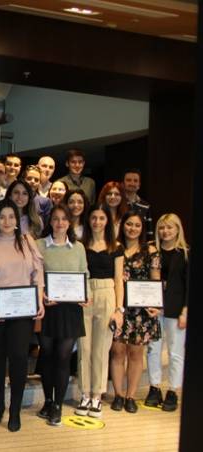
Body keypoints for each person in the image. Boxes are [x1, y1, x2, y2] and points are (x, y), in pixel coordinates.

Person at [0, 199, 44, 432]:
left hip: (23, 312)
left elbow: (37, 273)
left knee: (19, 358)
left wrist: (39, 299)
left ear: (17, 220)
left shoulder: (26, 242)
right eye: (2, 217)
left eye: (11, 216)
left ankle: (15, 410)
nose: (6, 221)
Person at [36, 205, 90, 426]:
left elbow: (84, 273)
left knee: (63, 357)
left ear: (70, 223)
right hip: (47, 308)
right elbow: (34, 274)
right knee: (47, 355)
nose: (60, 223)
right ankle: (48, 401)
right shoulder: (39, 245)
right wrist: (41, 295)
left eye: (64, 219)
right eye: (56, 219)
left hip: (70, 309)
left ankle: (58, 405)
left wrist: (85, 294)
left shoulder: (78, 247)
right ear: (50, 222)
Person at [76, 204, 124, 419]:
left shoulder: (116, 246)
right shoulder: (80, 245)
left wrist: (119, 310)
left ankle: (97, 395)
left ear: (108, 221)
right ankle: (85, 394)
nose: (97, 222)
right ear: (88, 220)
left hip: (107, 294)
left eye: (101, 218)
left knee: (101, 349)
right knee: (84, 347)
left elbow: (119, 280)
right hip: (85, 295)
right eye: (93, 217)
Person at [110, 211, 161, 414]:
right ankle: (118, 395)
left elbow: (155, 280)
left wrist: (156, 304)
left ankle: (130, 396)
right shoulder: (114, 247)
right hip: (119, 308)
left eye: (137, 225)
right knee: (117, 352)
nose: (132, 228)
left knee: (135, 354)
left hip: (142, 312)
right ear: (122, 225)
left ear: (142, 228)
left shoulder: (150, 251)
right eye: (129, 224)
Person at [145, 213, 189, 412]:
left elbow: (190, 286)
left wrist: (185, 311)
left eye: (170, 227)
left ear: (178, 229)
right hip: (153, 309)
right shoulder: (151, 251)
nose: (165, 231)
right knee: (153, 350)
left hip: (175, 310)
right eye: (162, 227)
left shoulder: (186, 254)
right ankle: (154, 388)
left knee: (175, 352)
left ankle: (173, 390)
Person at [122, 169, 153, 241]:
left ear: (139, 185)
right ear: (123, 184)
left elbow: (149, 232)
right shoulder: (117, 203)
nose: (132, 183)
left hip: (140, 246)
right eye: (128, 180)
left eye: (135, 181)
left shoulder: (146, 206)